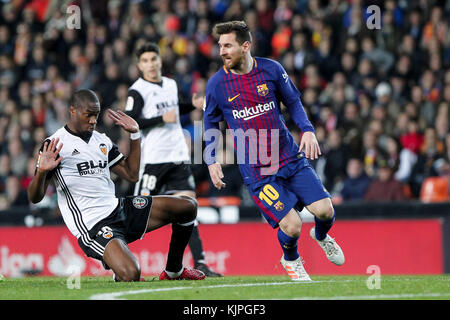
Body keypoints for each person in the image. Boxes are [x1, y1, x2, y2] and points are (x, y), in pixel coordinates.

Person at [203, 21, 345, 281]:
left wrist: (308, 129)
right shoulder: (216, 85)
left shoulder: (271, 69)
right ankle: (291, 260)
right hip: (258, 170)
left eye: (227, 45)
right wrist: (211, 160)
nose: (221, 51)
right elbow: (210, 122)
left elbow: (292, 100)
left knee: (325, 211)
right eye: (220, 46)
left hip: (289, 156)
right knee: (292, 225)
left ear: (246, 46)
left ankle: (322, 236)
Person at [27, 89, 206, 282]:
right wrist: (42, 172)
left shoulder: (101, 141)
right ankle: (119, 270)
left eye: (96, 115)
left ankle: (174, 271)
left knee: (188, 206)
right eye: (89, 115)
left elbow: (131, 174)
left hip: (118, 208)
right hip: (93, 225)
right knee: (131, 273)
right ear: (73, 111)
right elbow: (34, 197)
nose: (93, 120)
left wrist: (135, 135)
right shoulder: (54, 144)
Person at [124, 42, 222, 277]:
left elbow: (175, 110)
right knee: (137, 215)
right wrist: (160, 118)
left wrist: (192, 105)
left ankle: (198, 263)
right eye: (145, 61)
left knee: (189, 209)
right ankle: (118, 260)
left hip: (177, 158)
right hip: (152, 161)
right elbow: (130, 122)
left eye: (153, 59)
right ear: (139, 65)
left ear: (159, 61)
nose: (150, 64)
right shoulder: (137, 91)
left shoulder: (170, 84)